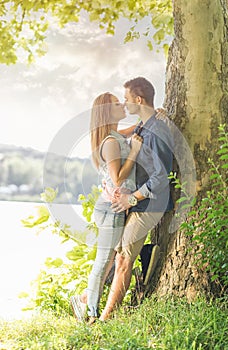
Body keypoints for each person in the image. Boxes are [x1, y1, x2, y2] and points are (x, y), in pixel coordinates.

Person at [99, 77, 174, 321]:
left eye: (127, 99)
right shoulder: (143, 127)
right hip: (139, 203)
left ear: (138, 100)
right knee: (119, 253)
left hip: (149, 204)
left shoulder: (158, 130)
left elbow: (162, 177)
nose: (125, 103)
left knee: (123, 259)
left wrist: (133, 198)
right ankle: (147, 257)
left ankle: (106, 319)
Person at [70, 92, 142, 324]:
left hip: (112, 208)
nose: (122, 104)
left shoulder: (114, 135)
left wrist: (149, 118)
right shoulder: (110, 143)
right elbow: (119, 179)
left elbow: (132, 131)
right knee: (104, 262)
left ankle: (83, 300)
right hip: (111, 210)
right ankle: (89, 313)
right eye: (116, 104)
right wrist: (134, 152)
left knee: (109, 261)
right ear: (106, 112)